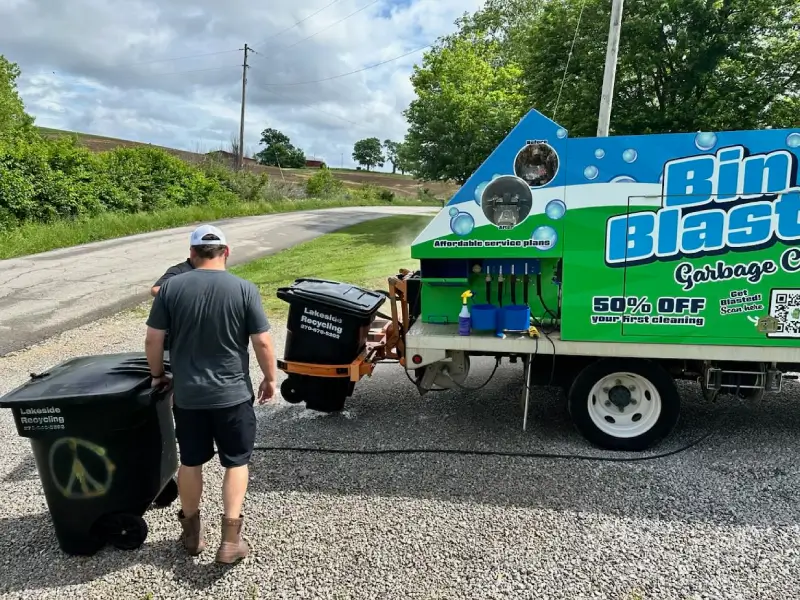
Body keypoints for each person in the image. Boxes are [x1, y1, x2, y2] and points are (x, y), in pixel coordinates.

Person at [144, 224, 278, 564]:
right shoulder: (244, 289)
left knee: (190, 461)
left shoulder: (171, 289)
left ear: (191, 254)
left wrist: (158, 375)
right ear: (226, 252)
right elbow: (262, 341)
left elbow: (153, 340)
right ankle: (231, 539)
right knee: (236, 462)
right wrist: (270, 378)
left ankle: (191, 534)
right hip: (232, 395)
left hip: (188, 397)